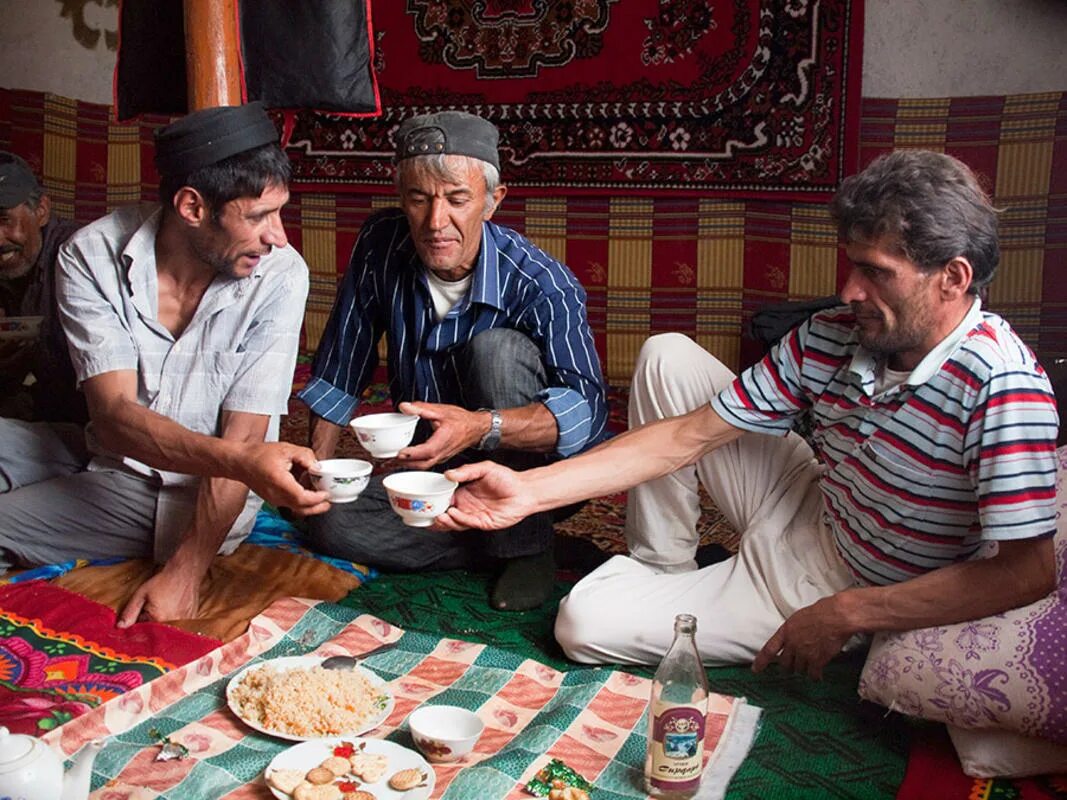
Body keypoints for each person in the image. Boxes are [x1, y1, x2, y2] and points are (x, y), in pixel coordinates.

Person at [438, 149, 1059, 676]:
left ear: (952, 277)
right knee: (668, 357)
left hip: (854, 582)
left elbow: (1026, 573)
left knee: (580, 624)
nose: (848, 291)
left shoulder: (1003, 387)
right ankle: (663, 564)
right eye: (852, 265)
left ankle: (692, 592)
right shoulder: (836, 334)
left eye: (876, 273)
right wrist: (525, 490)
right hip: (816, 503)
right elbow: (686, 436)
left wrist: (850, 613)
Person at [0, 103, 330, 625]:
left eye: (280, 211)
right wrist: (242, 460)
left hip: (183, 498)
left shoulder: (280, 275)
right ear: (193, 207)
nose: (279, 236)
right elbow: (113, 417)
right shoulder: (91, 254)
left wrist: (186, 571)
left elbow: (247, 439)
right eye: (258, 216)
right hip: (107, 447)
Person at [298, 110, 608, 611]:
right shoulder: (381, 244)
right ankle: (489, 544)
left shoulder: (542, 284)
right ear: (402, 198)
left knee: (497, 351)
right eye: (419, 199)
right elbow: (341, 366)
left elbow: (585, 416)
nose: (435, 222)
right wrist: (321, 471)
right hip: (436, 472)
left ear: (492, 201)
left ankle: (524, 544)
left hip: (528, 478)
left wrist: (481, 427)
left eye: (457, 200)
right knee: (328, 520)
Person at [0, 151, 84, 423]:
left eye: (4, 220)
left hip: (103, 429)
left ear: (41, 211)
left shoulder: (80, 258)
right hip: (48, 414)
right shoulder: (14, 264)